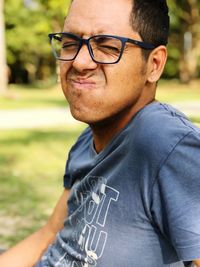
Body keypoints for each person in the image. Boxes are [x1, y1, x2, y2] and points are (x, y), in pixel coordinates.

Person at [0, 0, 200, 266]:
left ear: (154, 64)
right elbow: (48, 235)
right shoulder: (89, 138)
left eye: (106, 46)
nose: (80, 62)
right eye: (70, 42)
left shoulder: (166, 144)